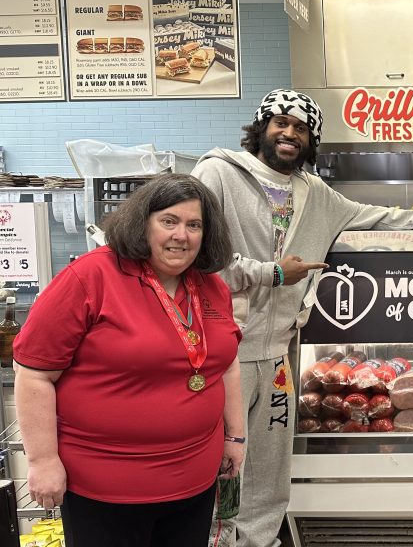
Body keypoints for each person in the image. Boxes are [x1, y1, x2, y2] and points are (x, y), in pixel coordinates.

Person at [192, 89, 413, 547]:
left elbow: (371, 217)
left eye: (301, 128)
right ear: (261, 127)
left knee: (270, 472)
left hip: (277, 355)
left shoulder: (313, 192)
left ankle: (260, 541)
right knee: (222, 462)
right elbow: (197, 257)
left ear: (311, 141)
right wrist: (273, 273)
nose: (290, 133)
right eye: (281, 123)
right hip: (224, 353)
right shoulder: (218, 173)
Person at [14, 174, 244, 547]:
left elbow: (226, 365)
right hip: (104, 490)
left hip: (194, 483)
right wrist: (42, 461)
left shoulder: (211, 286)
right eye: (169, 221)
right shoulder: (90, 277)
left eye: (194, 225)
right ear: (142, 223)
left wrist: (234, 437)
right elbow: (34, 374)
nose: (181, 235)